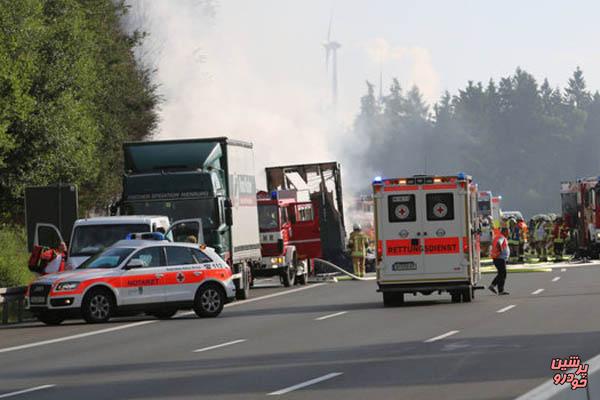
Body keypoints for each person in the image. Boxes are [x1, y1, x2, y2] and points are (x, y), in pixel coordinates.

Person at [489, 227, 510, 295]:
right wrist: (500, 249)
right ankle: (500, 290)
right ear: (504, 232)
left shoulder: (498, 236)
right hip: (500, 258)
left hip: (498, 258)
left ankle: (492, 286)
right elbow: (499, 242)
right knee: (503, 274)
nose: (508, 233)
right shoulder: (501, 237)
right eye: (508, 232)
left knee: (501, 274)